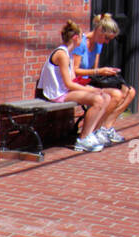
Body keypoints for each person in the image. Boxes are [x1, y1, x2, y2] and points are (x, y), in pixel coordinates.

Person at [36, 21, 110, 152]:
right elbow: (68, 83)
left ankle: (92, 132)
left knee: (106, 97)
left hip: (65, 90)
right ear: (75, 38)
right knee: (98, 99)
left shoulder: (68, 53)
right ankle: (83, 138)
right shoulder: (62, 54)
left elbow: (72, 80)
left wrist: (91, 88)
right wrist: (89, 90)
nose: (83, 40)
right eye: (81, 36)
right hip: (58, 93)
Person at [70, 12, 135, 144]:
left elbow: (95, 70)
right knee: (115, 95)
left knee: (130, 92)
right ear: (99, 31)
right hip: (79, 82)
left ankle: (106, 127)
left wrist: (106, 72)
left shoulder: (98, 45)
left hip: (91, 80)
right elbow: (75, 71)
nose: (106, 42)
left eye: (109, 40)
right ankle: (95, 130)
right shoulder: (81, 44)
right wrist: (99, 71)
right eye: (106, 38)